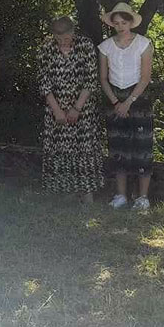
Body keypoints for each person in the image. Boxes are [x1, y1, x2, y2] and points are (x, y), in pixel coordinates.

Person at [38, 16, 103, 203]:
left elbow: (91, 80)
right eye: (58, 38)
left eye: (66, 38)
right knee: (61, 149)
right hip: (56, 108)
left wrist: (76, 108)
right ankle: (65, 191)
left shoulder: (85, 46)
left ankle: (87, 193)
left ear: (73, 32)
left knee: (84, 149)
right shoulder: (46, 48)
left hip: (83, 108)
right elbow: (43, 82)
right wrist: (57, 110)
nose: (62, 42)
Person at [97, 2, 155, 211]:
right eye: (116, 23)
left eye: (124, 22)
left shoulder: (144, 44)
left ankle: (143, 197)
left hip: (139, 99)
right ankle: (121, 195)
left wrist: (128, 102)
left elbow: (145, 77)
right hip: (114, 98)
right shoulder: (105, 47)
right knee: (118, 147)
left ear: (130, 22)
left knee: (142, 147)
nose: (120, 26)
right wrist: (116, 102)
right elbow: (103, 78)